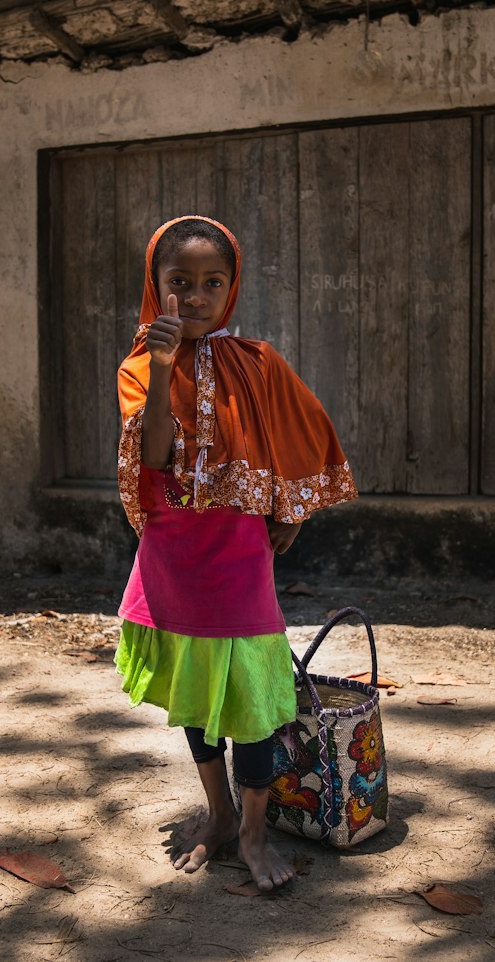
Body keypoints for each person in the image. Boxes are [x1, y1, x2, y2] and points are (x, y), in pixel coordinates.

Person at [114, 215, 357, 891]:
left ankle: (253, 832)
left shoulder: (260, 363)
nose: (194, 296)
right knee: (195, 696)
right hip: (173, 551)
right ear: (155, 287)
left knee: (251, 698)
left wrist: (293, 511)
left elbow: (300, 434)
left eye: (210, 282)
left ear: (232, 286)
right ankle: (220, 813)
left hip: (241, 554)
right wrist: (164, 367)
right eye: (179, 283)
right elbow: (156, 454)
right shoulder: (139, 367)